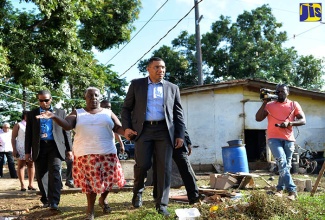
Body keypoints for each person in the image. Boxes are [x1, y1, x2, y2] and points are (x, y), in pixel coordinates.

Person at [37, 87, 126, 220]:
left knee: (108, 182)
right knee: (90, 185)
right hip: (86, 154)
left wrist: (127, 133)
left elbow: (118, 128)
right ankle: (90, 211)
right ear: (85, 98)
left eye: (96, 95)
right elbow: (67, 125)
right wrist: (54, 116)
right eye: (90, 96)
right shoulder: (77, 113)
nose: (93, 98)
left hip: (107, 153)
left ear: (100, 97)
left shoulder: (108, 113)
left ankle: (103, 199)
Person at [121, 57, 185, 216]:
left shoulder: (172, 88)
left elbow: (178, 114)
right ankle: (138, 191)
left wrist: (180, 135)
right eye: (157, 67)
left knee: (164, 168)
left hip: (165, 130)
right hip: (143, 131)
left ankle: (162, 204)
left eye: (163, 67)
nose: (160, 70)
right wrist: (127, 128)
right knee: (142, 165)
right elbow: (126, 108)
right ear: (148, 69)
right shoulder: (137, 85)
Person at [255, 83, 306, 201]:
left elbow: (303, 120)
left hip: (289, 139)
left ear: (288, 92)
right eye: (278, 91)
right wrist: (264, 102)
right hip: (274, 139)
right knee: (282, 162)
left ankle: (279, 189)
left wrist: (290, 123)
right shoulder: (270, 105)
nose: (280, 93)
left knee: (286, 166)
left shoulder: (293, 104)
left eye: (282, 91)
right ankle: (292, 191)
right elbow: (258, 118)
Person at [25, 90, 73, 210]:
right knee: (41, 174)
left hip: (55, 146)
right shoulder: (32, 114)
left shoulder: (60, 112)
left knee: (55, 172)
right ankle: (46, 199)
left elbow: (66, 131)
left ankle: (54, 202)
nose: (44, 103)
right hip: (39, 146)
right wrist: (27, 152)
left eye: (46, 100)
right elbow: (28, 134)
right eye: (41, 100)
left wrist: (69, 149)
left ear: (51, 99)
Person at [152, 129, 203, 204]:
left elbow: (181, 125)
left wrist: (188, 142)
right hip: (160, 140)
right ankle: (158, 196)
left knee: (185, 167)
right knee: (159, 169)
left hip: (177, 141)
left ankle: (193, 196)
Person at [11, 111, 36, 191]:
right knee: (21, 165)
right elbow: (13, 137)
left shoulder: (34, 124)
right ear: (24, 116)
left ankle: (31, 184)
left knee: (31, 165)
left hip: (31, 147)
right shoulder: (18, 125)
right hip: (21, 147)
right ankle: (22, 185)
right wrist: (14, 149)